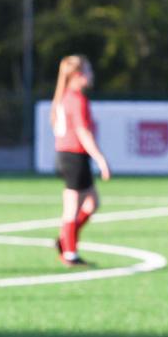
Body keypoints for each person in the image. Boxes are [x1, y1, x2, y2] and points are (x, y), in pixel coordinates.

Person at [50, 54, 110, 267]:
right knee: (72, 207)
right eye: (89, 71)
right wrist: (101, 159)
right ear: (77, 75)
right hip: (73, 156)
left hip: (69, 156)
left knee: (92, 203)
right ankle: (70, 253)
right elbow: (83, 132)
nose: (92, 75)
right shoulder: (76, 99)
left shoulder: (64, 96)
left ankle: (65, 241)